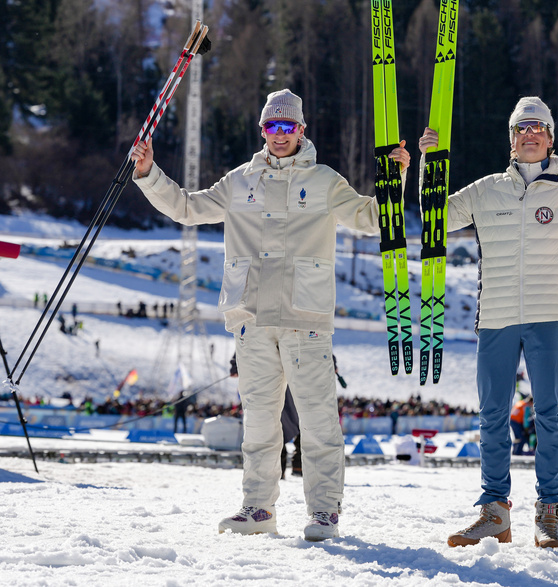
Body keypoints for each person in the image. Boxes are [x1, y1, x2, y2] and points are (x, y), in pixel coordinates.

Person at [132, 89, 409, 541]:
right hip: (252, 319)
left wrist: (393, 177)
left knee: (319, 419)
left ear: (302, 130)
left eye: (288, 126)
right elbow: (187, 207)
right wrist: (148, 173)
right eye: (271, 127)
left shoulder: (324, 180)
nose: (279, 135)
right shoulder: (240, 180)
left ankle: (324, 513)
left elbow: (371, 219)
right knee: (259, 421)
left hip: (305, 318)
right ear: (262, 131)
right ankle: (258, 508)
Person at [420, 96, 558, 551]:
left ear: (550, 138)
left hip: (549, 315)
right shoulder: (487, 189)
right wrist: (430, 163)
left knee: (549, 414)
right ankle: (494, 511)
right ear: (511, 140)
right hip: (497, 316)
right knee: (492, 415)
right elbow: (437, 217)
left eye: (539, 129)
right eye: (521, 129)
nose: (530, 135)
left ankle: (548, 512)